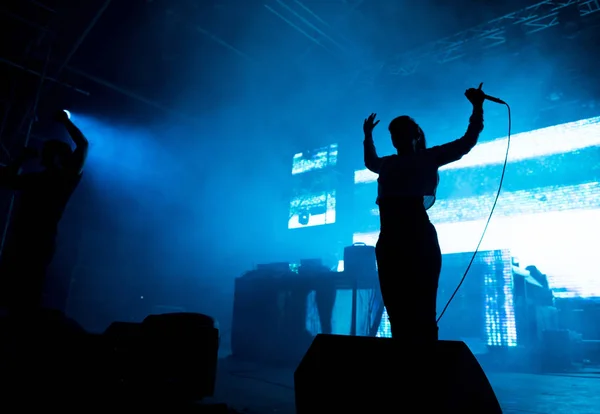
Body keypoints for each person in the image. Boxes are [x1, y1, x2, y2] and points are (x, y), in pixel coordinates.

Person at [362, 83, 486, 342]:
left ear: (415, 135)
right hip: (394, 239)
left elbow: (466, 142)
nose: (396, 137)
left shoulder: (427, 157)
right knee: (397, 311)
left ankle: (426, 369)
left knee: (422, 311)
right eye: (393, 133)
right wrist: (367, 137)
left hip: (414, 236)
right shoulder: (389, 163)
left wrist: (477, 107)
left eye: (401, 132)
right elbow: (371, 162)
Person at [0, 110, 88, 315]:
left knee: (28, 290)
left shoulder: (65, 178)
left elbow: (83, 145)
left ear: (58, 156)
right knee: (11, 290)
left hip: (39, 241)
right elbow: (6, 180)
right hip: (20, 239)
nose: (43, 153)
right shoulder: (36, 179)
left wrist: (67, 122)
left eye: (47, 150)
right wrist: (20, 159)